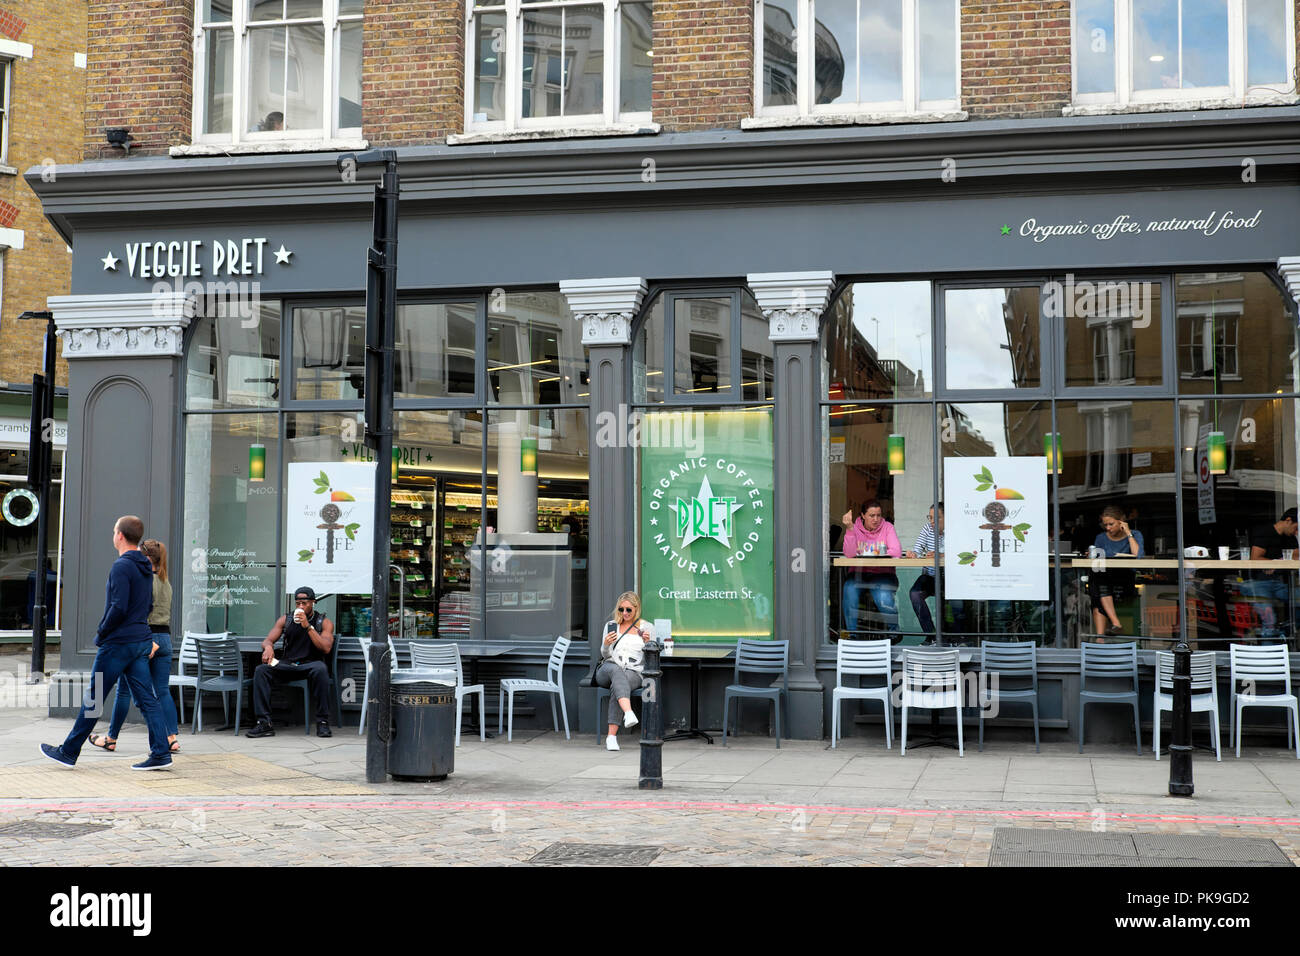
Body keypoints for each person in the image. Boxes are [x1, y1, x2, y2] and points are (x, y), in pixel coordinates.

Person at [40, 516, 173, 771]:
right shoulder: (146, 567)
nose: (113, 535)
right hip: (139, 642)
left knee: (94, 698)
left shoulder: (122, 566)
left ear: (120, 536)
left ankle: (68, 751)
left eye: (114, 531)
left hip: (117, 644)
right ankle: (160, 752)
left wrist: (102, 633)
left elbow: (119, 606)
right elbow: (146, 606)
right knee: (147, 699)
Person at [90, 540, 180, 754]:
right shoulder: (166, 581)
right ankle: (171, 738)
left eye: (140, 555)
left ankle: (111, 738)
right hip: (165, 639)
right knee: (162, 691)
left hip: (146, 639)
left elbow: (140, 611)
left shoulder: (146, 580)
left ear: (146, 557)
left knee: (123, 691)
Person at [246, 586, 335, 738]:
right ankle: (264, 723)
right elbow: (268, 639)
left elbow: (326, 648)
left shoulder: (323, 622)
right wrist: (268, 647)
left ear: (313, 602)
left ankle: (322, 722)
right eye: (298, 603)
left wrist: (308, 626)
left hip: (310, 665)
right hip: (287, 665)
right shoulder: (286, 619)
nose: (300, 606)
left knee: (321, 669)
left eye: (304, 603)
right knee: (262, 670)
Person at [595, 591, 653, 752]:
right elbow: (605, 655)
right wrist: (606, 645)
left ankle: (611, 737)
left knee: (619, 684)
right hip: (608, 669)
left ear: (636, 609)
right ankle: (628, 712)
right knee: (615, 671)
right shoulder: (611, 626)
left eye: (629, 610)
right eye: (621, 609)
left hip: (633, 672)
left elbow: (652, 658)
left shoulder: (646, 627)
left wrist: (649, 644)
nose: (625, 613)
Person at [906, 503, 965, 643]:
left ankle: (956, 638)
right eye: (930, 518)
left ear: (946, 518)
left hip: (951, 577)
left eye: (936, 518)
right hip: (930, 576)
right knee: (915, 594)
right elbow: (918, 549)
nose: (932, 522)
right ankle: (931, 635)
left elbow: (961, 553)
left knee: (954, 602)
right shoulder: (927, 528)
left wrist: (941, 554)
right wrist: (913, 553)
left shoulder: (955, 530)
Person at [841, 500, 901, 635]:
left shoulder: (887, 527)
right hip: (858, 574)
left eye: (878, 515)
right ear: (863, 515)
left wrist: (869, 551)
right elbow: (849, 554)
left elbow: (896, 551)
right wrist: (850, 529)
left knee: (883, 596)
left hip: (883, 574)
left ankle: (895, 633)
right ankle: (852, 635)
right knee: (849, 590)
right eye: (871, 515)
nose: (876, 519)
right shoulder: (854, 528)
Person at [1241, 507, 1299, 640]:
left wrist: (1275, 562)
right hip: (1258, 583)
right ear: (1288, 520)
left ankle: (1283, 631)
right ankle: (1269, 653)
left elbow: (1296, 555)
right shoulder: (1265, 532)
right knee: (1269, 619)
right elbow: (1255, 558)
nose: (1297, 532)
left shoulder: (1289, 537)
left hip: (1279, 584)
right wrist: (1275, 562)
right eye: (1296, 528)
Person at [1089, 505, 1144, 638]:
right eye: (1105, 525)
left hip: (1125, 579)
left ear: (1121, 522)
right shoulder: (1101, 538)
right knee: (1098, 581)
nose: (1108, 528)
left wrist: (1128, 533)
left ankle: (1101, 638)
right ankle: (1115, 625)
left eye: (1111, 524)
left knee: (1097, 592)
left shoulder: (1135, 534)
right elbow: (1097, 561)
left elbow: (1138, 555)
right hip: (1105, 577)